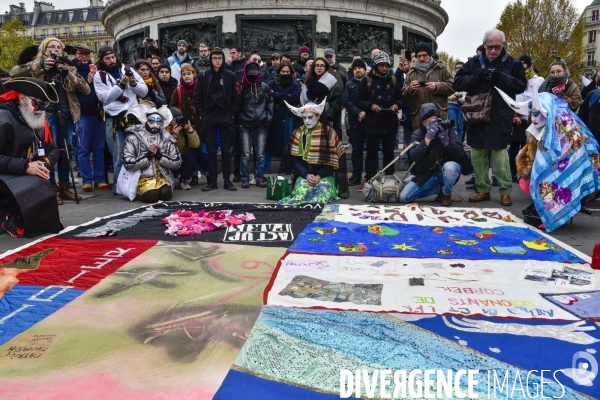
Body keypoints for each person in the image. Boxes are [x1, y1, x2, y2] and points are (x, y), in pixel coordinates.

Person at [499, 88, 600, 232]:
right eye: (531, 114)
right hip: (554, 166)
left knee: (556, 177)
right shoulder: (541, 127)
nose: (533, 118)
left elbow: (573, 155)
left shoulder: (564, 124)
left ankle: (556, 215)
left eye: (536, 113)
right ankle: (547, 213)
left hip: (573, 163)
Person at [11, 37, 90, 205]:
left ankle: (63, 187)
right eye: (51, 47)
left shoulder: (68, 68)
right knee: (48, 153)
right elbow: (14, 73)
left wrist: (67, 71)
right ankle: (50, 189)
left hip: (66, 116)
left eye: (58, 47)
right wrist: (39, 66)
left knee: (65, 153)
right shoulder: (37, 66)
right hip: (44, 117)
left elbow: (85, 89)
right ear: (45, 50)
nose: (55, 50)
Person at [454, 28, 526, 206]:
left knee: (500, 154)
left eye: (497, 47)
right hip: (476, 115)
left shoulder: (513, 63)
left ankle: (505, 191)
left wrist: (501, 77)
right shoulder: (474, 64)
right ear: (484, 45)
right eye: (490, 47)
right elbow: (457, 82)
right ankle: (483, 189)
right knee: (478, 154)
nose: (493, 51)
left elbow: (520, 86)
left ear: (502, 46)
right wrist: (477, 77)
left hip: (500, 115)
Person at [0, 77, 61, 237]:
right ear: (21, 99)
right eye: (38, 103)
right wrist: (25, 166)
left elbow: (53, 149)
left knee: (41, 186)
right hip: (6, 174)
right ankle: (11, 218)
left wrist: (43, 164)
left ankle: (20, 218)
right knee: (33, 184)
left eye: (45, 104)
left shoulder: (40, 120)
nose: (41, 109)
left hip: (23, 173)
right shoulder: (3, 118)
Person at [94, 45, 148, 189]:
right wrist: (120, 87)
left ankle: (137, 184)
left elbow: (143, 92)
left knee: (137, 152)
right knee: (118, 157)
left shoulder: (127, 70)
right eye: (107, 58)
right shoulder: (100, 75)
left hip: (132, 117)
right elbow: (105, 98)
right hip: (114, 119)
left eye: (112, 57)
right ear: (101, 60)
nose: (111, 60)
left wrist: (133, 83)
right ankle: (120, 186)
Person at [399, 104, 473, 205]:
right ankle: (439, 189)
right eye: (431, 122)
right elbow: (414, 157)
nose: (435, 125)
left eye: (436, 121)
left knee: (450, 168)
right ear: (424, 123)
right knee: (404, 197)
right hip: (427, 174)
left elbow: (460, 154)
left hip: (445, 171)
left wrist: (447, 142)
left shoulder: (448, 130)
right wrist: (427, 140)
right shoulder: (418, 134)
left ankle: (446, 194)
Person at [278, 99, 344, 206]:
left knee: (321, 195)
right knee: (302, 194)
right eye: (304, 118)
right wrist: (306, 175)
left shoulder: (329, 133)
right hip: (304, 176)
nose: (307, 121)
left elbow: (332, 162)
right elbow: (295, 160)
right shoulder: (298, 132)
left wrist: (319, 176)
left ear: (318, 116)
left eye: (310, 117)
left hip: (324, 176)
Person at [193, 47, 241, 191]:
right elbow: (197, 96)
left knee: (226, 150)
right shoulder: (204, 75)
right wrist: (201, 113)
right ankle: (212, 181)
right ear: (210, 59)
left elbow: (236, 96)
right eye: (214, 58)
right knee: (211, 151)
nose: (217, 61)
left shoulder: (230, 75)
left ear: (223, 59)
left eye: (220, 58)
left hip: (225, 115)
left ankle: (227, 179)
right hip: (209, 116)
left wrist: (232, 113)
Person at [356, 51, 404, 183]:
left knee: (389, 152)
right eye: (381, 65)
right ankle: (370, 178)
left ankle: (389, 178)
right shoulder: (367, 80)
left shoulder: (393, 80)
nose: (384, 68)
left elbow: (401, 99)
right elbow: (359, 100)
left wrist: (396, 105)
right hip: (373, 123)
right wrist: (370, 106)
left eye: (386, 65)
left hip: (390, 123)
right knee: (371, 153)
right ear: (376, 65)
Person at [121, 105, 182, 202]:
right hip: (142, 178)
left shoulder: (166, 138)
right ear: (146, 121)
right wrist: (147, 155)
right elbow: (128, 163)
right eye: (151, 121)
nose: (155, 125)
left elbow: (177, 162)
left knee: (166, 194)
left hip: (163, 177)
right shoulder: (133, 138)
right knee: (151, 195)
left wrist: (159, 156)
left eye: (158, 122)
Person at [73, 43, 111, 193]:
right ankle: (87, 180)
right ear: (75, 55)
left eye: (86, 54)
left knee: (99, 148)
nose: (84, 57)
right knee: (83, 149)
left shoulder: (95, 69)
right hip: (82, 114)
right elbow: (74, 93)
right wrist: (87, 82)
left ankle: (100, 179)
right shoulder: (72, 71)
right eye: (81, 54)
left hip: (98, 114)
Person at [402, 42, 454, 131]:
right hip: (419, 119)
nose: (422, 59)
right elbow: (404, 95)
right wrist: (410, 89)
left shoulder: (441, 69)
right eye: (419, 56)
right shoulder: (411, 73)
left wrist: (437, 86)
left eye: (425, 55)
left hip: (439, 116)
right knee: (421, 143)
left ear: (430, 55)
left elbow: (452, 86)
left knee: (440, 142)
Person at [238, 61, 274, 188]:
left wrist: (267, 119)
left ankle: (259, 177)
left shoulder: (264, 87)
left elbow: (270, 102)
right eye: (250, 74)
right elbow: (237, 106)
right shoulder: (242, 87)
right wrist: (240, 122)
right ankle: (245, 178)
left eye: (255, 73)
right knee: (246, 154)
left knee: (260, 154)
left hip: (261, 124)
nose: (253, 75)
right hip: (245, 124)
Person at [265, 61, 301, 179]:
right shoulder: (271, 83)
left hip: (289, 117)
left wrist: (277, 95)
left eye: (287, 72)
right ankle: (263, 173)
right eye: (283, 71)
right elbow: (269, 96)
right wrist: (286, 95)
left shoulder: (295, 84)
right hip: (273, 118)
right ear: (278, 72)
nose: (285, 74)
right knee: (269, 146)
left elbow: (295, 98)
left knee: (288, 146)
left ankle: (288, 172)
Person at [169, 64, 203, 187]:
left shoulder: (200, 88)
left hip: (200, 124)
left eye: (189, 74)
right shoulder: (178, 90)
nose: (187, 76)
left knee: (201, 151)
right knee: (189, 152)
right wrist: (177, 119)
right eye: (184, 74)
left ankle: (203, 173)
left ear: (194, 74)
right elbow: (171, 107)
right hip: (184, 125)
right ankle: (193, 175)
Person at [343, 57, 367, 186]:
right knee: (356, 150)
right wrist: (358, 112)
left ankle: (370, 175)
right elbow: (346, 101)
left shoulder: (370, 82)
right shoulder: (349, 84)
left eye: (359, 68)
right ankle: (356, 175)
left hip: (369, 121)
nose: (357, 70)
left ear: (364, 69)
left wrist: (365, 112)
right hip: (355, 121)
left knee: (371, 150)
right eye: (355, 69)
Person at [300, 57, 342, 129]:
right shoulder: (309, 82)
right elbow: (305, 98)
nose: (319, 68)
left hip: (326, 118)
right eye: (317, 65)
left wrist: (328, 115)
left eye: (322, 66)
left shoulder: (331, 82)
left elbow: (337, 101)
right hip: (310, 118)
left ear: (326, 68)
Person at [167, 107, 200, 190]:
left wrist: (190, 130)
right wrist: (174, 136)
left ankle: (183, 180)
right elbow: (166, 149)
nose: (178, 121)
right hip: (169, 160)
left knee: (190, 155)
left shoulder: (184, 129)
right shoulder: (165, 129)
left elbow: (195, 145)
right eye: (175, 119)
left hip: (181, 158)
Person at [323, 48, 347, 142]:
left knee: (337, 125)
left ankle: (338, 144)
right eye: (327, 57)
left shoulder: (342, 69)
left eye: (331, 56)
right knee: (325, 123)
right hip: (325, 101)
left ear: (335, 56)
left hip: (338, 102)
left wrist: (344, 101)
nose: (329, 59)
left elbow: (346, 85)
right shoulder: (322, 69)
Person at [447, 62, 466, 141]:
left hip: (462, 105)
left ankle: (459, 144)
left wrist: (464, 98)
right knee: (453, 126)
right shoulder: (451, 79)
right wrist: (451, 97)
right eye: (457, 68)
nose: (458, 69)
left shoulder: (467, 79)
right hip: (452, 104)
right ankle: (453, 144)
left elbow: (468, 91)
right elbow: (446, 91)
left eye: (460, 68)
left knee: (460, 126)